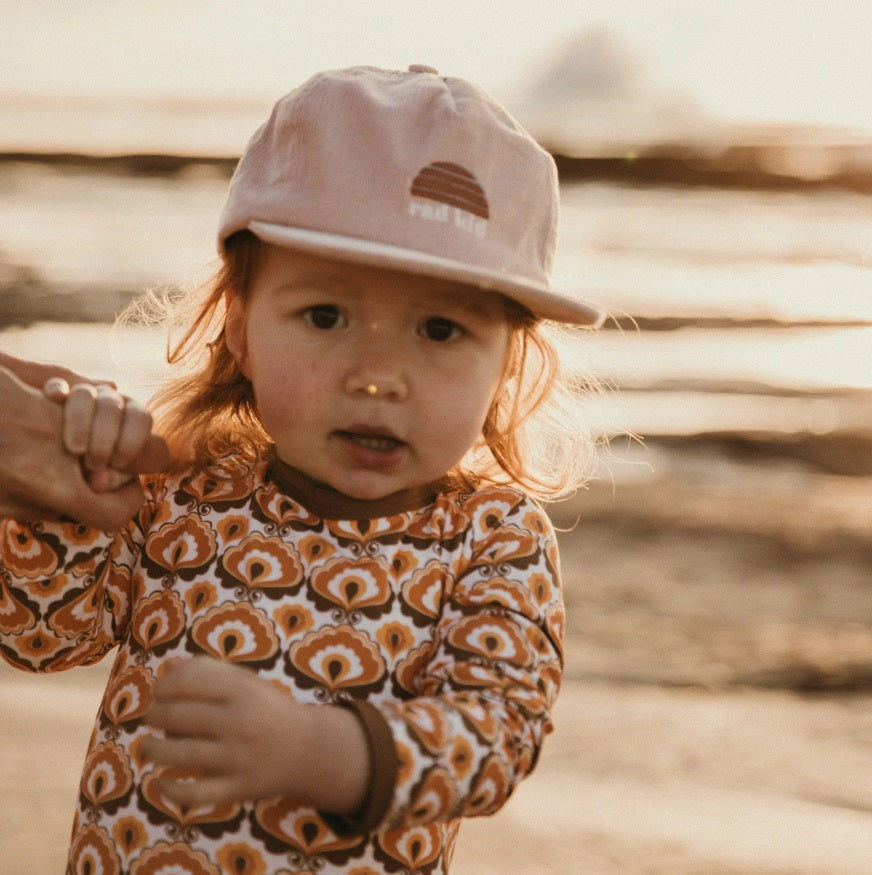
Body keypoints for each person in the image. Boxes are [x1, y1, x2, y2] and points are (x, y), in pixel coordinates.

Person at [0, 64, 603, 875]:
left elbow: (496, 734)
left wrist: (317, 749)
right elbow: (42, 636)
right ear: (240, 331)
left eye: (440, 329)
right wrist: (66, 501)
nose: (377, 373)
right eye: (325, 315)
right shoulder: (183, 491)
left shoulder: (491, 539)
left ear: (507, 367)